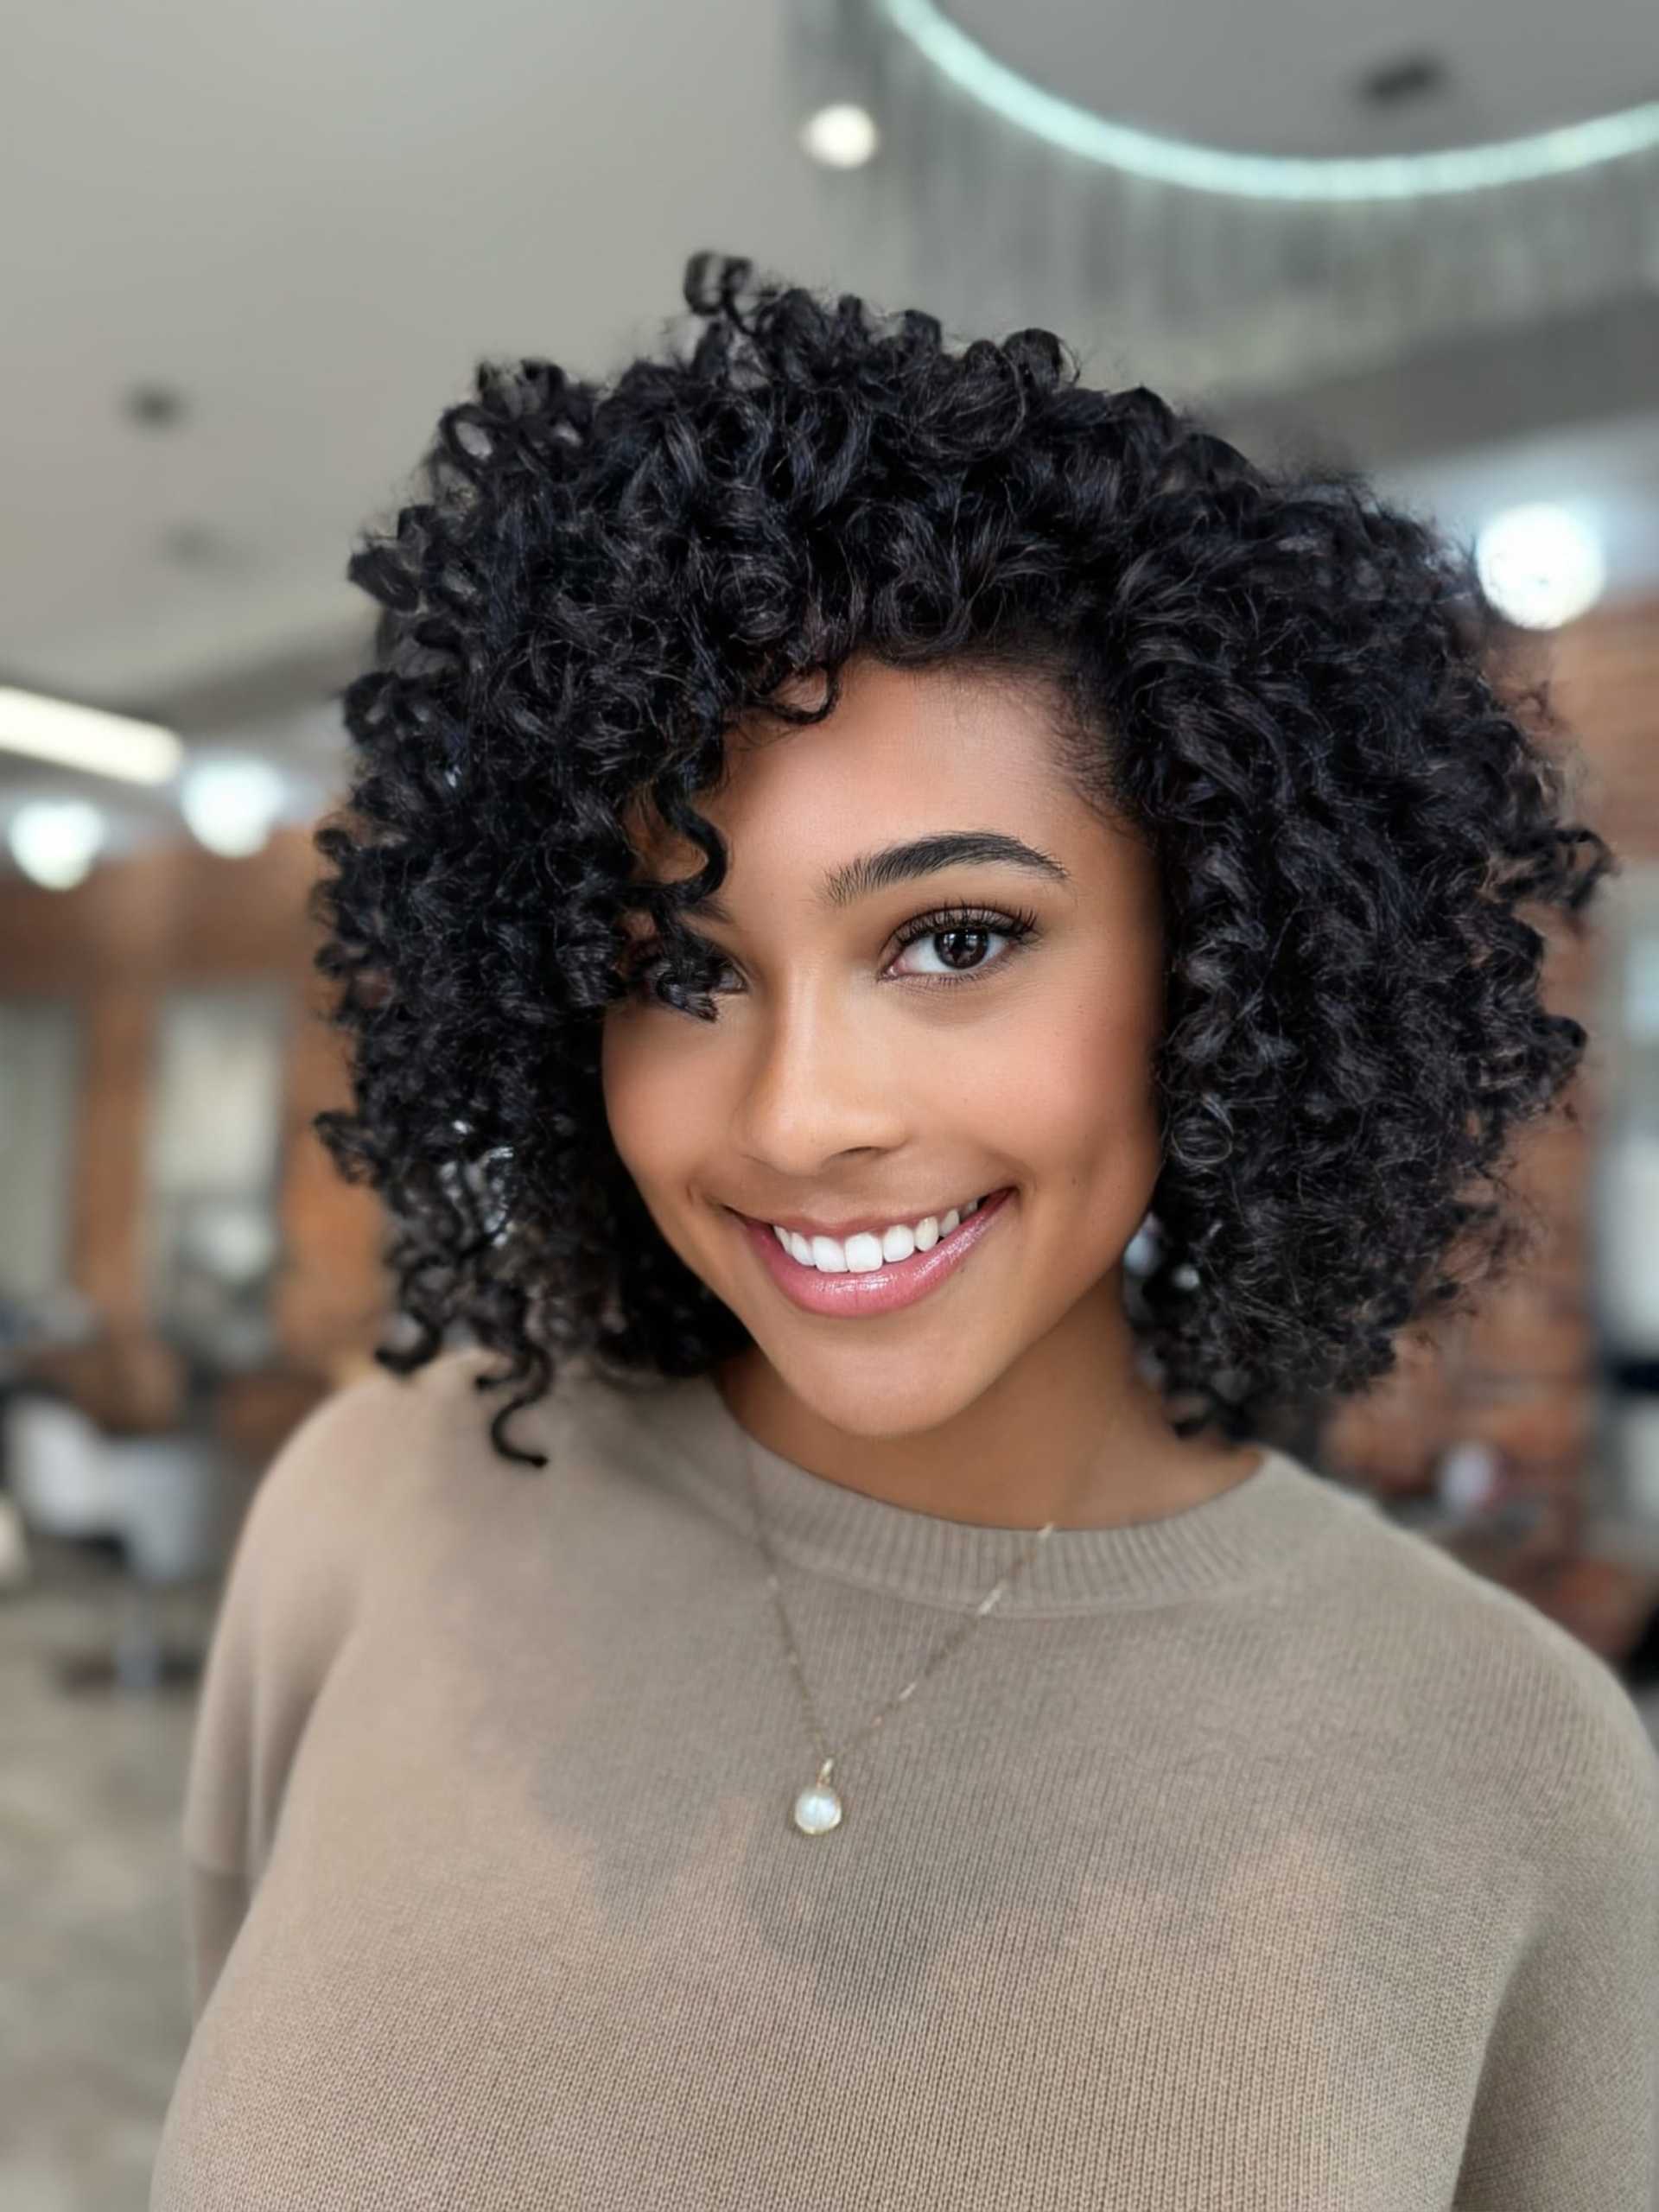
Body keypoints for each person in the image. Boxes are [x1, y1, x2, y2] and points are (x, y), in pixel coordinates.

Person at [149, 251, 1659, 2210]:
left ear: (1215, 964)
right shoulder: (368, 1516)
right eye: (679, 969)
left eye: (955, 939)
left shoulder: (1504, 1766)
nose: (800, 1112)